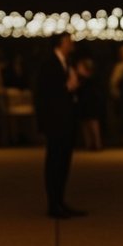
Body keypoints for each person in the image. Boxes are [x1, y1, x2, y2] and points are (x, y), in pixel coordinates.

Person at [34, 31, 86, 218]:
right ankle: (53, 204)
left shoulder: (67, 63)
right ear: (60, 44)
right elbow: (45, 94)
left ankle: (60, 200)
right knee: (55, 161)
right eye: (69, 41)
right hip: (56, 121)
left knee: (64, 162)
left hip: (67, 119)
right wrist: (68, 87)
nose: (72, 44)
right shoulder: (49, 64)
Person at [75, 53, 103, 151]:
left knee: (93, 123)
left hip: (91, 102)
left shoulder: (91, 78)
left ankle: (97, 143)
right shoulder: (79, 78)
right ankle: (89, 143)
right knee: (85, 123)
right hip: (83, 102)